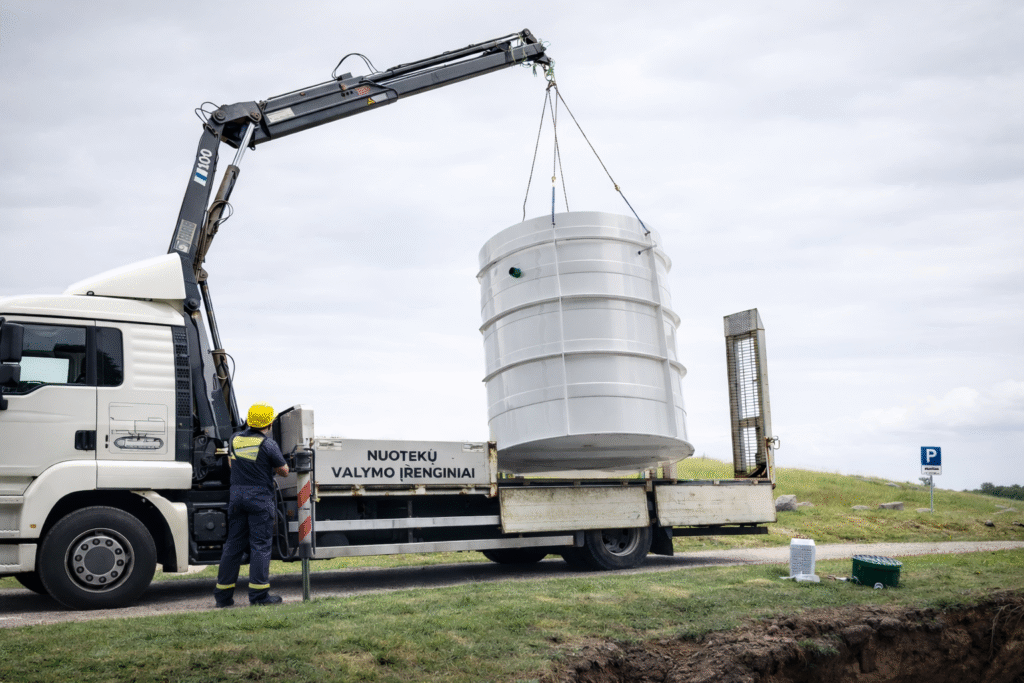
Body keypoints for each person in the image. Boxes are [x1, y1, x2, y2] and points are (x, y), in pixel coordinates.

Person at [214, 403, 290, 607]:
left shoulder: (235, 439)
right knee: (260, 547)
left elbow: (232, 463)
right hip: (259, 499)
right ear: (270, 423)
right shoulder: (269, 445)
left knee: (233, 546)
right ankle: (259, 597)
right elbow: (284, 471)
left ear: (249, 420)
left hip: (237, 497)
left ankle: (223, 597)